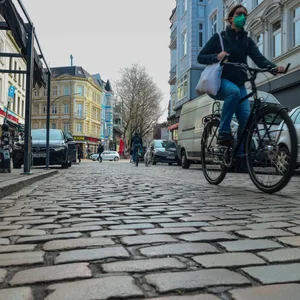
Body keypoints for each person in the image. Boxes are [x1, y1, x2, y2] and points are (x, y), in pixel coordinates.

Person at [197, 4, 285, 149]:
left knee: (246, 120)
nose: (242, 17)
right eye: (239, 14)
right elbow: (201, 57)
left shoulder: (247, 41)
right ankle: (223, 132)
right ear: (231, 18)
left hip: (240, 83)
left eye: (245, 15)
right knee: (233, 92)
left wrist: (274, 68)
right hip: (220, 83)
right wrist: (217, 56)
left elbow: (259, 59)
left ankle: (240, 159)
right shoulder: (220, 37)